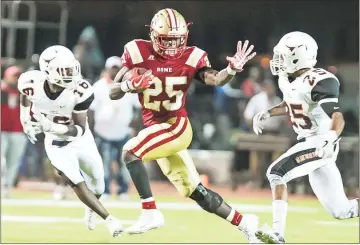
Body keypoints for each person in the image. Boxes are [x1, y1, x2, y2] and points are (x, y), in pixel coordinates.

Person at [109, 8, 262, 243]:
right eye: (166, 40)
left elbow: (216, 78)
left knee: (130, 152)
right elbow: (113, 91)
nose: (172, 46)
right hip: (156, 128)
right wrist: (129, 86)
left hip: (175, 125)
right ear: (153, 36)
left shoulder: (192, 57)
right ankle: (246, 224)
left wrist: (231, 70)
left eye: (176, 40)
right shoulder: (137, 52)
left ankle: (150, 211)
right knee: (196, 192)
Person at [253, 31, 359, 243]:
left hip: (320, 143)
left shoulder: (318, 81)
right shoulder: (287, 79)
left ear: (297, 56)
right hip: (308, 142)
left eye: (283, 56)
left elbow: (337, 115)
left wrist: (330, 136)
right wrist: (268, 112)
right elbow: (292, 104)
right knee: (342, 210)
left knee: (276, 172)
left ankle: (277, 235)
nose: (278, 61)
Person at [18, 45, 123, 237]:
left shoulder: (80, 90)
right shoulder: (30, 81)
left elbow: (80, 129)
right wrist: (25, 118)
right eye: (64, 70)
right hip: (56, 145)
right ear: (48, 71)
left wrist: (50, 127)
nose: (71, 74)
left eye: (71, 69)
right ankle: (109, 219)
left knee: (98, 184)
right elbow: (25, 96)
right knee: (76, 180)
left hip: (81, 139)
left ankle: (91, 207)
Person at [89, 56, 140, 200]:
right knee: (104, 163)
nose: (115, 72)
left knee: (124, 164)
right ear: (107, 69)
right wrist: (91, 131)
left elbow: (138, 107)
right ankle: (104, 190)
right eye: (113, 69)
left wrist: (135, 127)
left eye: (117, 69)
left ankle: (122, 190)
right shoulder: (98, 86)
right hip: (103, 132)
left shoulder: (129, 86)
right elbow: (91, 110)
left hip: (123, 132)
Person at [1, 66, 28, 198]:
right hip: (2, 130)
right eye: (14, 76)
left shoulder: (24, 93)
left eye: (18, 76)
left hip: (18, 131)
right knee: (1, 160)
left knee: (13, 161)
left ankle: (7, 186)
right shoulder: (2, 91)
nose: (16, 79)